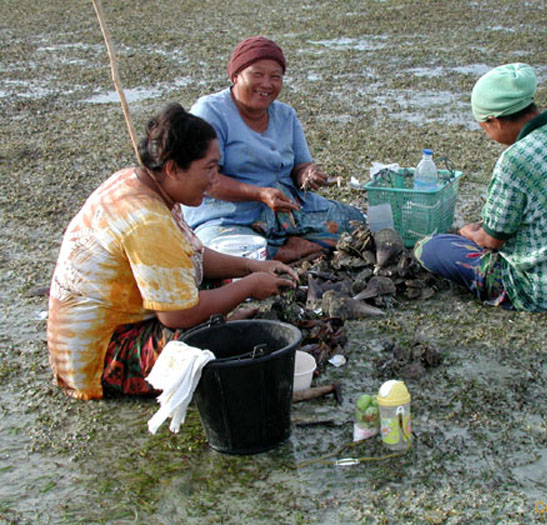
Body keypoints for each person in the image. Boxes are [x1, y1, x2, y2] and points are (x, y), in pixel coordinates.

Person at [47, 103, 298, 400]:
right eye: (209, 168)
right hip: (100, 357)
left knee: (220, 288)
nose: (214, 179)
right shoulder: (147, 220)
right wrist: (249, 287)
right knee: (207, 346)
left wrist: (251, 268)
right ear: (172, 169)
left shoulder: (140, 181)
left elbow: (192, 255)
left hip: (127, 318)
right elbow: (179, 315)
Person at [414, 63, 547, 312]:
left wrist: (467, 233)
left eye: (484, 127)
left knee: (429, 247)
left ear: (495, 121)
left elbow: (491, 240)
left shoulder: (515, 161)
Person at [182, 36, 365, 263]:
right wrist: (259, 193)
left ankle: (286, 244)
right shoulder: (210, 112)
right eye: (257, 74)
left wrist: (308, 174)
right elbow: (204, 180)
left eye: (275, 77)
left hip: (288, 210)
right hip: (230, 215)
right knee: (222, 255)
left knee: (358, 224)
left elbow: (300, 166)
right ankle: (287, 251)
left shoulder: (286, 114)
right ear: (235, 75)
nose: (266, 84)